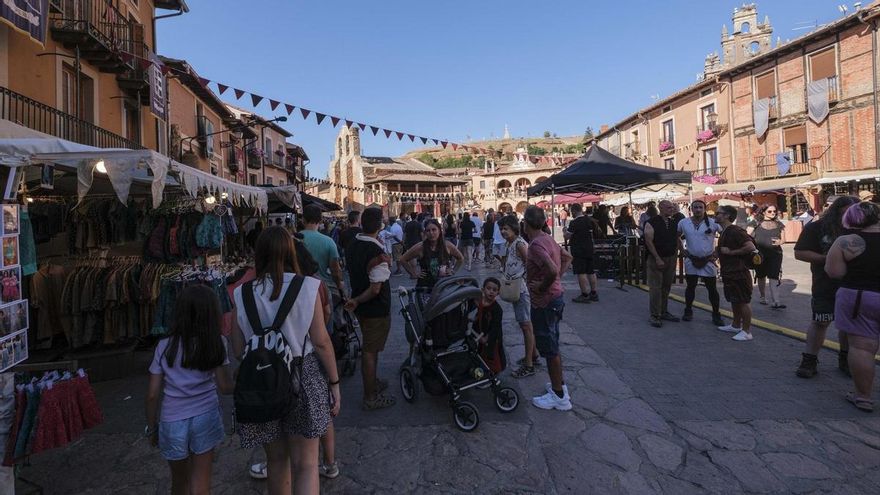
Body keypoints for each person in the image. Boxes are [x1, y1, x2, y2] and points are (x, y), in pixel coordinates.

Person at [231, 227, 341, 495]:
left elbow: (237, 349)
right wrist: (334, 383)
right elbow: (322, 341)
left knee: (276, 461)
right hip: (302, 376)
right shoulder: (308, 288)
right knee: (306, 464)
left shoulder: (241, 294)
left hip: (261, 382)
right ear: (291, 252)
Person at [145, 285, 233, 495]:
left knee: (179, 482)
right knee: (200, 481)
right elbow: (225, 387)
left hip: (171, 420)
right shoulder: (217, 342)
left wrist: (151, 427)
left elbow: (152, 394)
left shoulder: (164, 346)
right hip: (205, 416)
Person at [794, 195, 860, 378]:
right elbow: (799, 252)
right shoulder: (816, 227)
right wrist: (828, 259)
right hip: (825, 284)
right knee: (820, 321)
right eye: (847, 211)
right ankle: (809, 360)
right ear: (837, 210)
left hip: (854, 284)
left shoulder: (862, 228)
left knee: (848, 325)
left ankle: (845, 359)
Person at [824, 201, 880, 412]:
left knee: (862, 348)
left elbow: (834, 272)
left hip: (859, 297)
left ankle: (863, 396)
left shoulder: (846, 241)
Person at [343, 208, 396, 411]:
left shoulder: (353, 244)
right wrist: (357, 300)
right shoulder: (376, 252)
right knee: (370, 352)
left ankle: (372, 382)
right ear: (380, 225)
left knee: (370, 348)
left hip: (363, 308)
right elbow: (375, 289)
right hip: (374, 308)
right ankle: (370, 396)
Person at [522, 206, 573, 411]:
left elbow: (551, 269)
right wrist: (556, 279)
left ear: (525, 223)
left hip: (544, 302)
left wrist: (543, 286)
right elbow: (568, 257)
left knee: (549, 348)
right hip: (556, 297)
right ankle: (558, 384)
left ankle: (559, 396)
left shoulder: (535, 245)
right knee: (553, 342)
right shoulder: (549, 238)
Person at [497, 215, 539, 378]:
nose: (503, 232)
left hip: (521, 290)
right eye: (501, 229)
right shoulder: (511, 244)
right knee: (524, 324)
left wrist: (529, 283)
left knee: (526, 326)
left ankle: (529, 365)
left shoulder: (520, 244)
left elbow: (531, 264)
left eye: (506, 228)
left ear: (514, 228)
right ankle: (533, 356)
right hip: (516, 288)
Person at [677, 200, 725, 326]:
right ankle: (688, 310)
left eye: (700, 207)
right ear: (691, 209)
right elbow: (676, 236)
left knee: (712, 289)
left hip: (708, 259)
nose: (698, 209)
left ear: (704, 209)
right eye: (695, 207)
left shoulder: (713, 223)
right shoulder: (684, 222)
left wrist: (717, 252)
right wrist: (682, 250)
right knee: (690, 287)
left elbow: (725, 234)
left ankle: (716, 314)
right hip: (691, 259)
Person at [715, 205, 757, 342]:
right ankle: (735, 325)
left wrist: (731, 252)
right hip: (730, 272)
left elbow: (750, 247)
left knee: (743, 301)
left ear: (727, 216)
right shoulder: (725, 231)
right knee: (735, 300)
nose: (715, 215)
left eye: (718, 213)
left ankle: (746, 331)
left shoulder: (735, 231)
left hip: (739, 271)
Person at [643, 200, 681, 327]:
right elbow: (649, 241)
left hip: (670, 257)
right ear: (661, 208)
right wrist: (657, 258)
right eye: (669, 207)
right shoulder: (651, 222)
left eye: (672, 207)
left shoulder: (673, 222)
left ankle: (663, 311)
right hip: (656, 258)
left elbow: (677, 238)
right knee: (656, 288)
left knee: (666, 287)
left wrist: (682, 251)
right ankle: (655, 315)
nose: (672, 209)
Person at [300, 205, 347, 308]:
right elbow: (335, 270)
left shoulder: (293, 240)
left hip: (298, 288)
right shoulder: (328, 242)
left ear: (303, 220)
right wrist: (340, 284)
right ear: (320, 220)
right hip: (324, 289)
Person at [400, 218, 465, 290]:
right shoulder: (420, 247)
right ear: (425, 232)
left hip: (444, 287)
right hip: (425, 288)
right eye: (428, 230)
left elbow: (460, 258)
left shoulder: (447, 245)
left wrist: (453, 271)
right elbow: (403, 259)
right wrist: (413, 274)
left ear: (439, 231)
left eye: (434, 230)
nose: (431, 233)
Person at [749, 205, 786, 308]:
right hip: (760, 254)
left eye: (774, 211)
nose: (773, 213)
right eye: (769, 211)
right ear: (763, 212)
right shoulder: (755, 222)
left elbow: (784, 239)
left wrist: (780, 241)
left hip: (775, 254)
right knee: (761, 275)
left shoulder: (779, 224)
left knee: (774, 276)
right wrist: (751, 247)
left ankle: (776, 300)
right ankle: (762, 296)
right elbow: (746, 236)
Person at [470, 277, 507, 374]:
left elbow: (496, 327)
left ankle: (491, 375)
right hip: (480, 333)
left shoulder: (497, 309)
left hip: (492, 338)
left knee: (492, 356)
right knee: (480, 354)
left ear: (498, 293)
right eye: (488, 288)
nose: (491, 292)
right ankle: (481, 371)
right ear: (483, 289)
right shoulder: (479, 302)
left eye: (494, 290)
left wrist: (487, 338)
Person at [565, 203, 600, 304]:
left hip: (579, 249)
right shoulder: (589, 220)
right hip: (589, 248)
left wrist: (564, 231)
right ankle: (594, 293)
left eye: (572, 211)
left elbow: (568, 236)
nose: (571, 213)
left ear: (574, 211)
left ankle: (584, 294)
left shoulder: (574, 223)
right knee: (591, 271)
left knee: (581, 272)